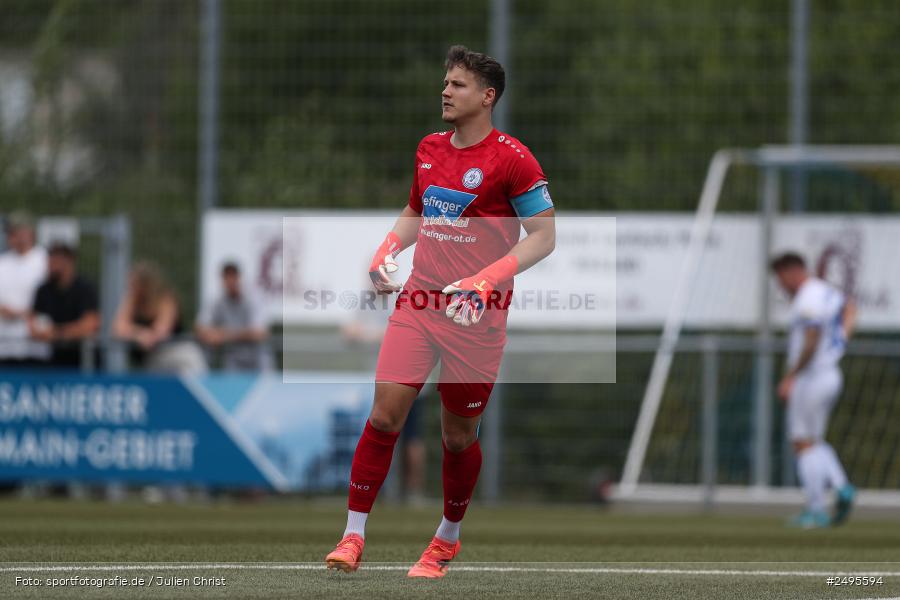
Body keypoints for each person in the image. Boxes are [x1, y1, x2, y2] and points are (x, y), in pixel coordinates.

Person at [326, 45, 556, 578]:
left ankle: (446, 538)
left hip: (477, 316)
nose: (446, 92)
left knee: (457, 436)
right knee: (384, 415)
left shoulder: (513, 158)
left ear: (487, 96)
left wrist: (486, 278)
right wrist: (388, 247)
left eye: (457, 85)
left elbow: (543, 237)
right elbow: (415, 209)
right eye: (445, 83)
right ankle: (352, 536)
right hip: (421, 303)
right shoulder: (429, 147)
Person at [771, 252, 857, 529]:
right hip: (831, 373)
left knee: (801, 442)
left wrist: (791, 377)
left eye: (780, 278)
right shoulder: (825, 292)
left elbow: (811, 338)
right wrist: (841, 341)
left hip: (812, 377)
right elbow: (851, 308)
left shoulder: (808, 297)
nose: (780, 285)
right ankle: (841, 486)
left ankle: (817, 508)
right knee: (814, 440)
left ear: (790, 272)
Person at [113, 261, 206, 373]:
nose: (130, 286)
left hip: (176, 350)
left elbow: (160, 333)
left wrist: (133, 332)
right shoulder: (131, 299)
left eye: (134, 283)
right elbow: (118, 328)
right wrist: (139, 335)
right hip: (151, 358)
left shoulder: (165, 299)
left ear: (145, 284)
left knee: (194, 362)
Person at [28, 243, 100, 368]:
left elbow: (90, 325)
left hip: (83, 361)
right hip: (51, 361)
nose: (49, 265)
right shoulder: (44, 290)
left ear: (68, 262)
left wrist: (57, 333)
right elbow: (33, 326)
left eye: (54, 261)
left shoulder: (85, 288)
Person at [195, 261, 273, 371]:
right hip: (233, 361)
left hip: (258, 361)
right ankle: (203, 375)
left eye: (233, 277)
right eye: (227, 277)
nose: (230, 282)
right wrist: (212, 335)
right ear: (222, 280)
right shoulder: (217, 300)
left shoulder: (254, 297)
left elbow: (260, 333)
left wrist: (224, 335)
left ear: (239, 278)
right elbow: (201, 328)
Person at [0, 211, 48, 366]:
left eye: (22, 231)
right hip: (5, 343)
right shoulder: (3, 262)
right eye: (13, 232)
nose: (18, 236)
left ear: (31, 233)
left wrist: (26, 312)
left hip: (35, 344)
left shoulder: (44, 260)